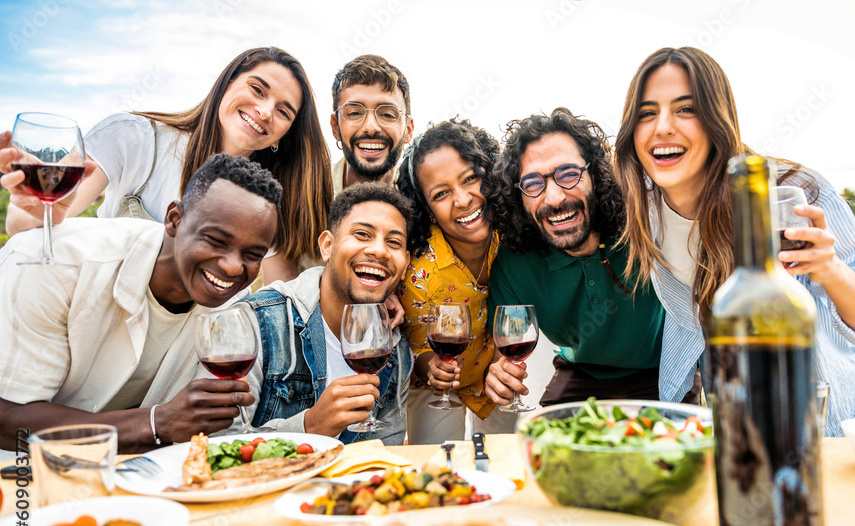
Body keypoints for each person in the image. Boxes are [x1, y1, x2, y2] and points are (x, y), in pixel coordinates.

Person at [613, 46, 855, 436]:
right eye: (647, 113)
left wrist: (831, 270)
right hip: (717, 401)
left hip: (805, 406)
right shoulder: (644, 207)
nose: (663, 127)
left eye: (686, 109)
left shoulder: (792, 193)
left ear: (717, 119)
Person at [0, 154, 280, 452]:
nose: (233, 267)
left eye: (252, 254)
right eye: (216, 240)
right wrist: (155, 423)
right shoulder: (54, 262)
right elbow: (8, 420)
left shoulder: (232, 306)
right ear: (175, 219)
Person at [1, 46, 333, 284]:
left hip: (183, 348)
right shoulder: (136, 138)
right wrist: (31, 208)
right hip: (97, 310)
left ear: (282, 135)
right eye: (257, 90)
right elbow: (30, 230)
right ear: (225, 85)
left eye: (283, 111)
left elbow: (280, 294)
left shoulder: (266, 200)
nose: (264, 111)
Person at [483, 108, 667, 408]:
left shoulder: (646, 224)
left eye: (568, 174)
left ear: (595, 174)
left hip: (663, 370)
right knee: (547, 448)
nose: (554, 198)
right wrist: (499, 374)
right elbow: (503, 352)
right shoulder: (513, 261)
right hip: (580, 373)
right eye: (532, 183)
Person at [241, 183, 413, 446]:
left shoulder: (395, 349)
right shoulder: (259, 321)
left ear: (405, 265)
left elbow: (385, 456)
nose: (379, 250)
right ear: (327, 246)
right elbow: (215, 443)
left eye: (393, 242)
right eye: (362, 234)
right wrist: (309, 426)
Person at [395, 118, 517, 443]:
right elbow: (416, 347)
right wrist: (430, 368)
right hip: (436, 387)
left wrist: (503, 365)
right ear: (427, 209)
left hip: (495, 368)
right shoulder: (418, 270)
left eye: (471, 179)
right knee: (437, 468)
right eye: (441, 194)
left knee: (505, 460)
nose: (462, 200)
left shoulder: (514, 236)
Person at [330, 54, 414, 195]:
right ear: (335, 127)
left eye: (387, 115)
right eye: (354, 113)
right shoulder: (304, 196)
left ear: (408, 130)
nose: (370, 127)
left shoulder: (426, 201)